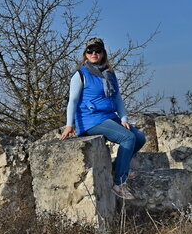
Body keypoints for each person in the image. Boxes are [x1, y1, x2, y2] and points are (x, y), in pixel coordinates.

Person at [59, 38, 146, 199]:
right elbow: (73, 101)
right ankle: (119, 183)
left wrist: (124, 118)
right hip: (90, 119)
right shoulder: (80, 75)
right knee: (127, 138)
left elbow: (117, 97)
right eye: (90, 51)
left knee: (139, 138)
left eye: (97, 51)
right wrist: (69, 125)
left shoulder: (109, 74)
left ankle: (120, 167)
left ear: (103, 53)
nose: (94, 54)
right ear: (85, 54)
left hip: (109, 116)